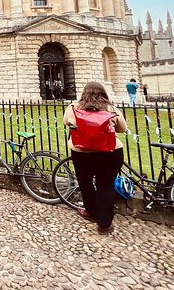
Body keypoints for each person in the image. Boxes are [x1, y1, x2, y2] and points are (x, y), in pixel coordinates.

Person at [63, 81, 127, 235]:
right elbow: (123, 128)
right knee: (105, 185)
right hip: (110, 152)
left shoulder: (73, 108)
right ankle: (104, 224)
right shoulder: (111, 108)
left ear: (84, 93)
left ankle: (91, 212)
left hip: (82, 153)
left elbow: (66, 122)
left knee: (85, 183)